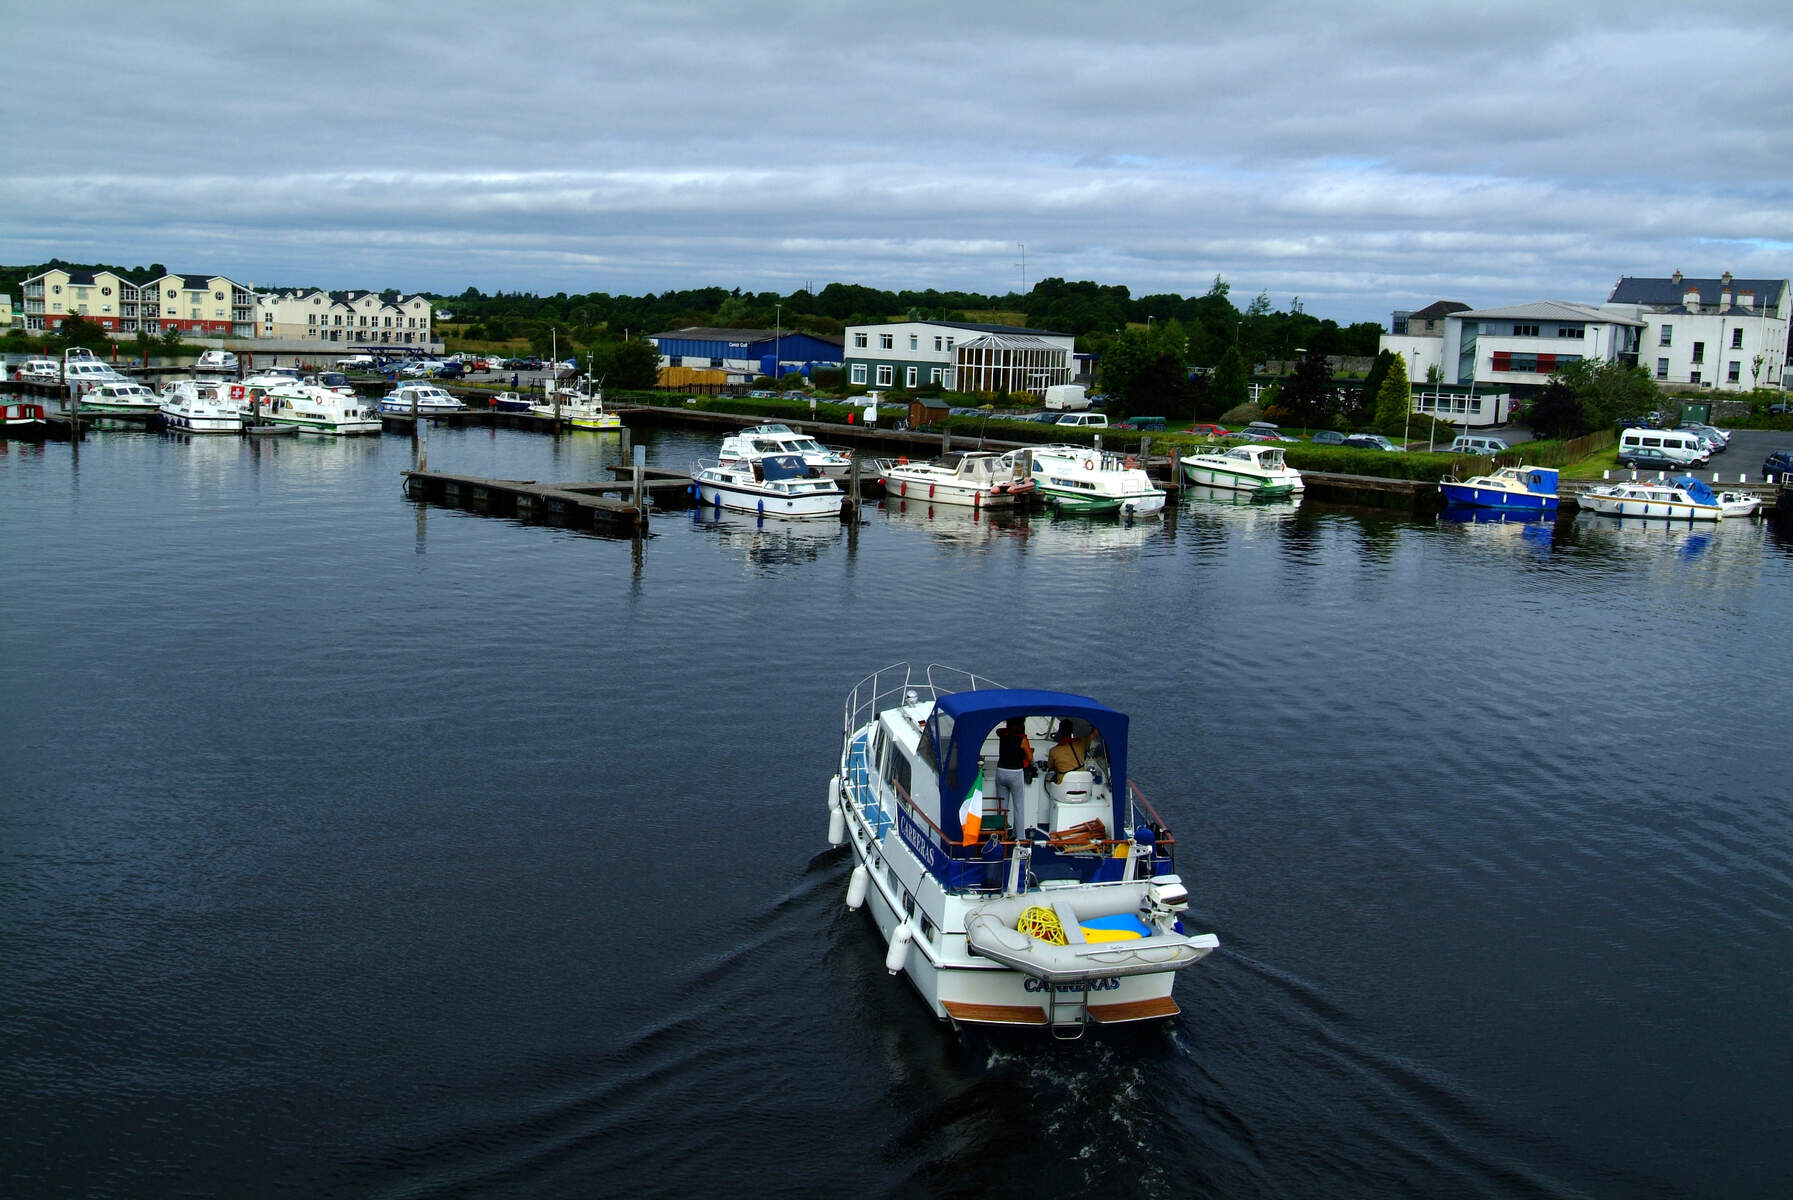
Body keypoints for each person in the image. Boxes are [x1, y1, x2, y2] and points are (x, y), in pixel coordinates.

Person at [990, 718, 1032, 829]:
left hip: (1001, 772)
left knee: (1002, 807)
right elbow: (1030, 758)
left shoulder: (1002, 735)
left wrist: (1009, 728)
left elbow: (998, 730)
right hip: (1015, 773)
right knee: (1018, 807)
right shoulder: (1022, 740)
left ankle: (1001, 835)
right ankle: (1019, 837)